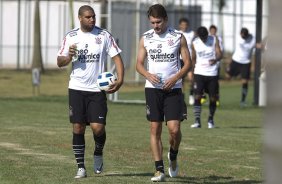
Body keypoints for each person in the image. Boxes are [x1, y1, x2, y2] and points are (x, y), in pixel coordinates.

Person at [57, 5, 124, 179]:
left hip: (96, 90)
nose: (92, 19)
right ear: (80, 18)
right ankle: (81, 167)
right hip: (77, 88)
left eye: (93, 16)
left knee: (98, 128)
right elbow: (59, 61)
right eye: (88, 17)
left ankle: (98, 152)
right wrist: (69, 56)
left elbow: (117, 57)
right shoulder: (71, 36)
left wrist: (120, 79)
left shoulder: (103, 35)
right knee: (78, 127)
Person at [136, 4, 190, 182]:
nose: (155, 26)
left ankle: (173, 155)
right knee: (155, 128)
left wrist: (175, 78)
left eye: (158, 22)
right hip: (153, 90)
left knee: (174, 130)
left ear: (166, 19)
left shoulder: (178, 37)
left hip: (173, 89)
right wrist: (148, 75)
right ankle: (159, 170)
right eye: (152, 22)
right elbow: (139, 64)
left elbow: (188, 64)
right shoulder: (145, 38)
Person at [190, 26, 222, 129]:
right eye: (202, 37)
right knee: (197, 96)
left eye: (205, 37)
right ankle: (197, 121)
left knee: (213, 98)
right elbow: (193, 58)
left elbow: (220, 54)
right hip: (199, 72)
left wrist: (216, 60)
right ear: (199, 36)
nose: (204, 39)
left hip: (212, 73)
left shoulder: (213, 39)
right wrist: (191, 72)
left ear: (208, 34)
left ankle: (210, 120)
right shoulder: (195, 43)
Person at [225, 27, 255, 106]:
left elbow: (257, 45)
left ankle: (243, 101)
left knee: (245, 81)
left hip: (246, 62)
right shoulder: (238, 37)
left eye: (244, 36)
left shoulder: (252, 39)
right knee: (227, 77)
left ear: (247, 35)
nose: (243, 37)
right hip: (236, 61)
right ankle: (215, 97)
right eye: (242, 36)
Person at [200, 25, 224, 106]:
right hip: (205, 66)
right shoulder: (205, 39)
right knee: (202, 81)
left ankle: (216, 98)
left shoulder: (217, 39)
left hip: (216, 64)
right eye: (211, 31)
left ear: (216, 31)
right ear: (209, 31)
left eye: (214, 31)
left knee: (215, 84)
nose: (213, 32)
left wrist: (217, 59)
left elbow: (220, 51)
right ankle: (203, 95)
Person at [178, 17, 195, 105]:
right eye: (182, 25)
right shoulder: (177, 34)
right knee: (181, 80)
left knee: (191, 78)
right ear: (179, 25)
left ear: (187, 25)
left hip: (189, 59)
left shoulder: (192, 34)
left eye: (185, 25)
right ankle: (182, 97)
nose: (184, 26)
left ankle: (191, 95)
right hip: (180, 59)